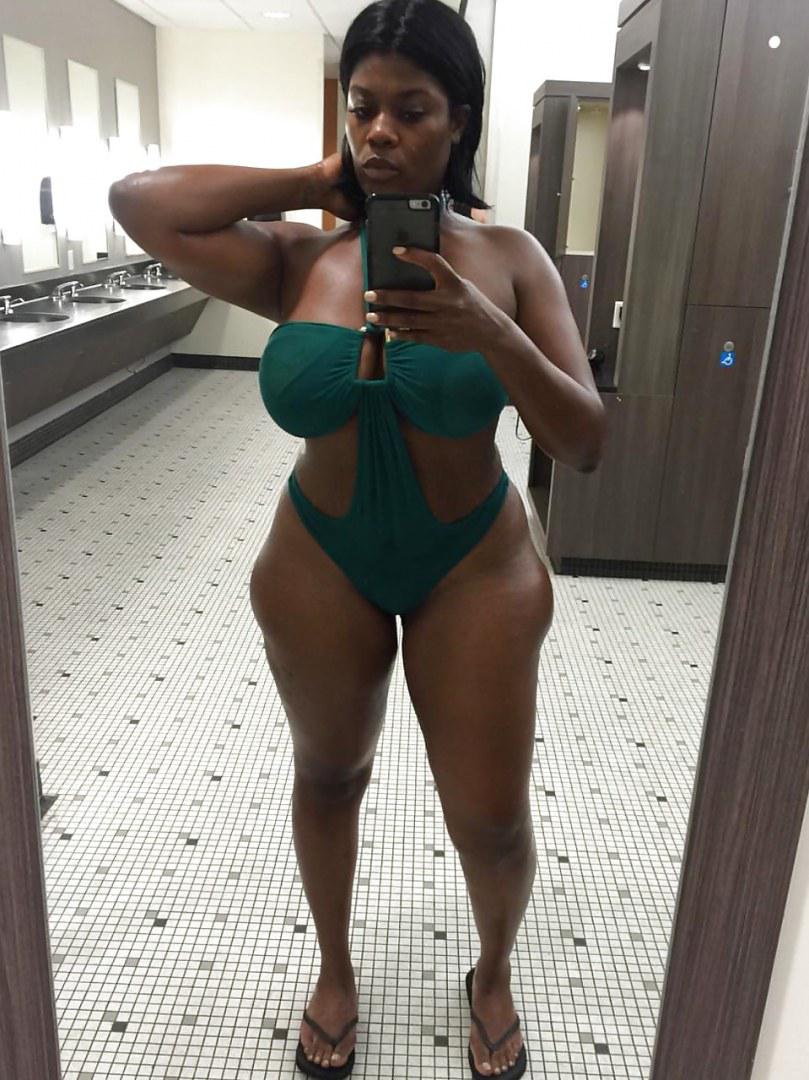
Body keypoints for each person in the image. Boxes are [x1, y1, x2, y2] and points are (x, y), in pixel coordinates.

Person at [108, 2, 605, 1077]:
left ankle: (491, 972)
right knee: (327, 775)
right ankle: (333, 970)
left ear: (459, 119)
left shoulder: (511, 259)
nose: (380, 131)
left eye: (410, 111)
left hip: (473, 564)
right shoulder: (296, 259)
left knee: (489, 820)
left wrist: (490, 331)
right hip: (318, 557)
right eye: (362, 107)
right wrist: (313, 178)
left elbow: (583, 440)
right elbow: (140, 203)